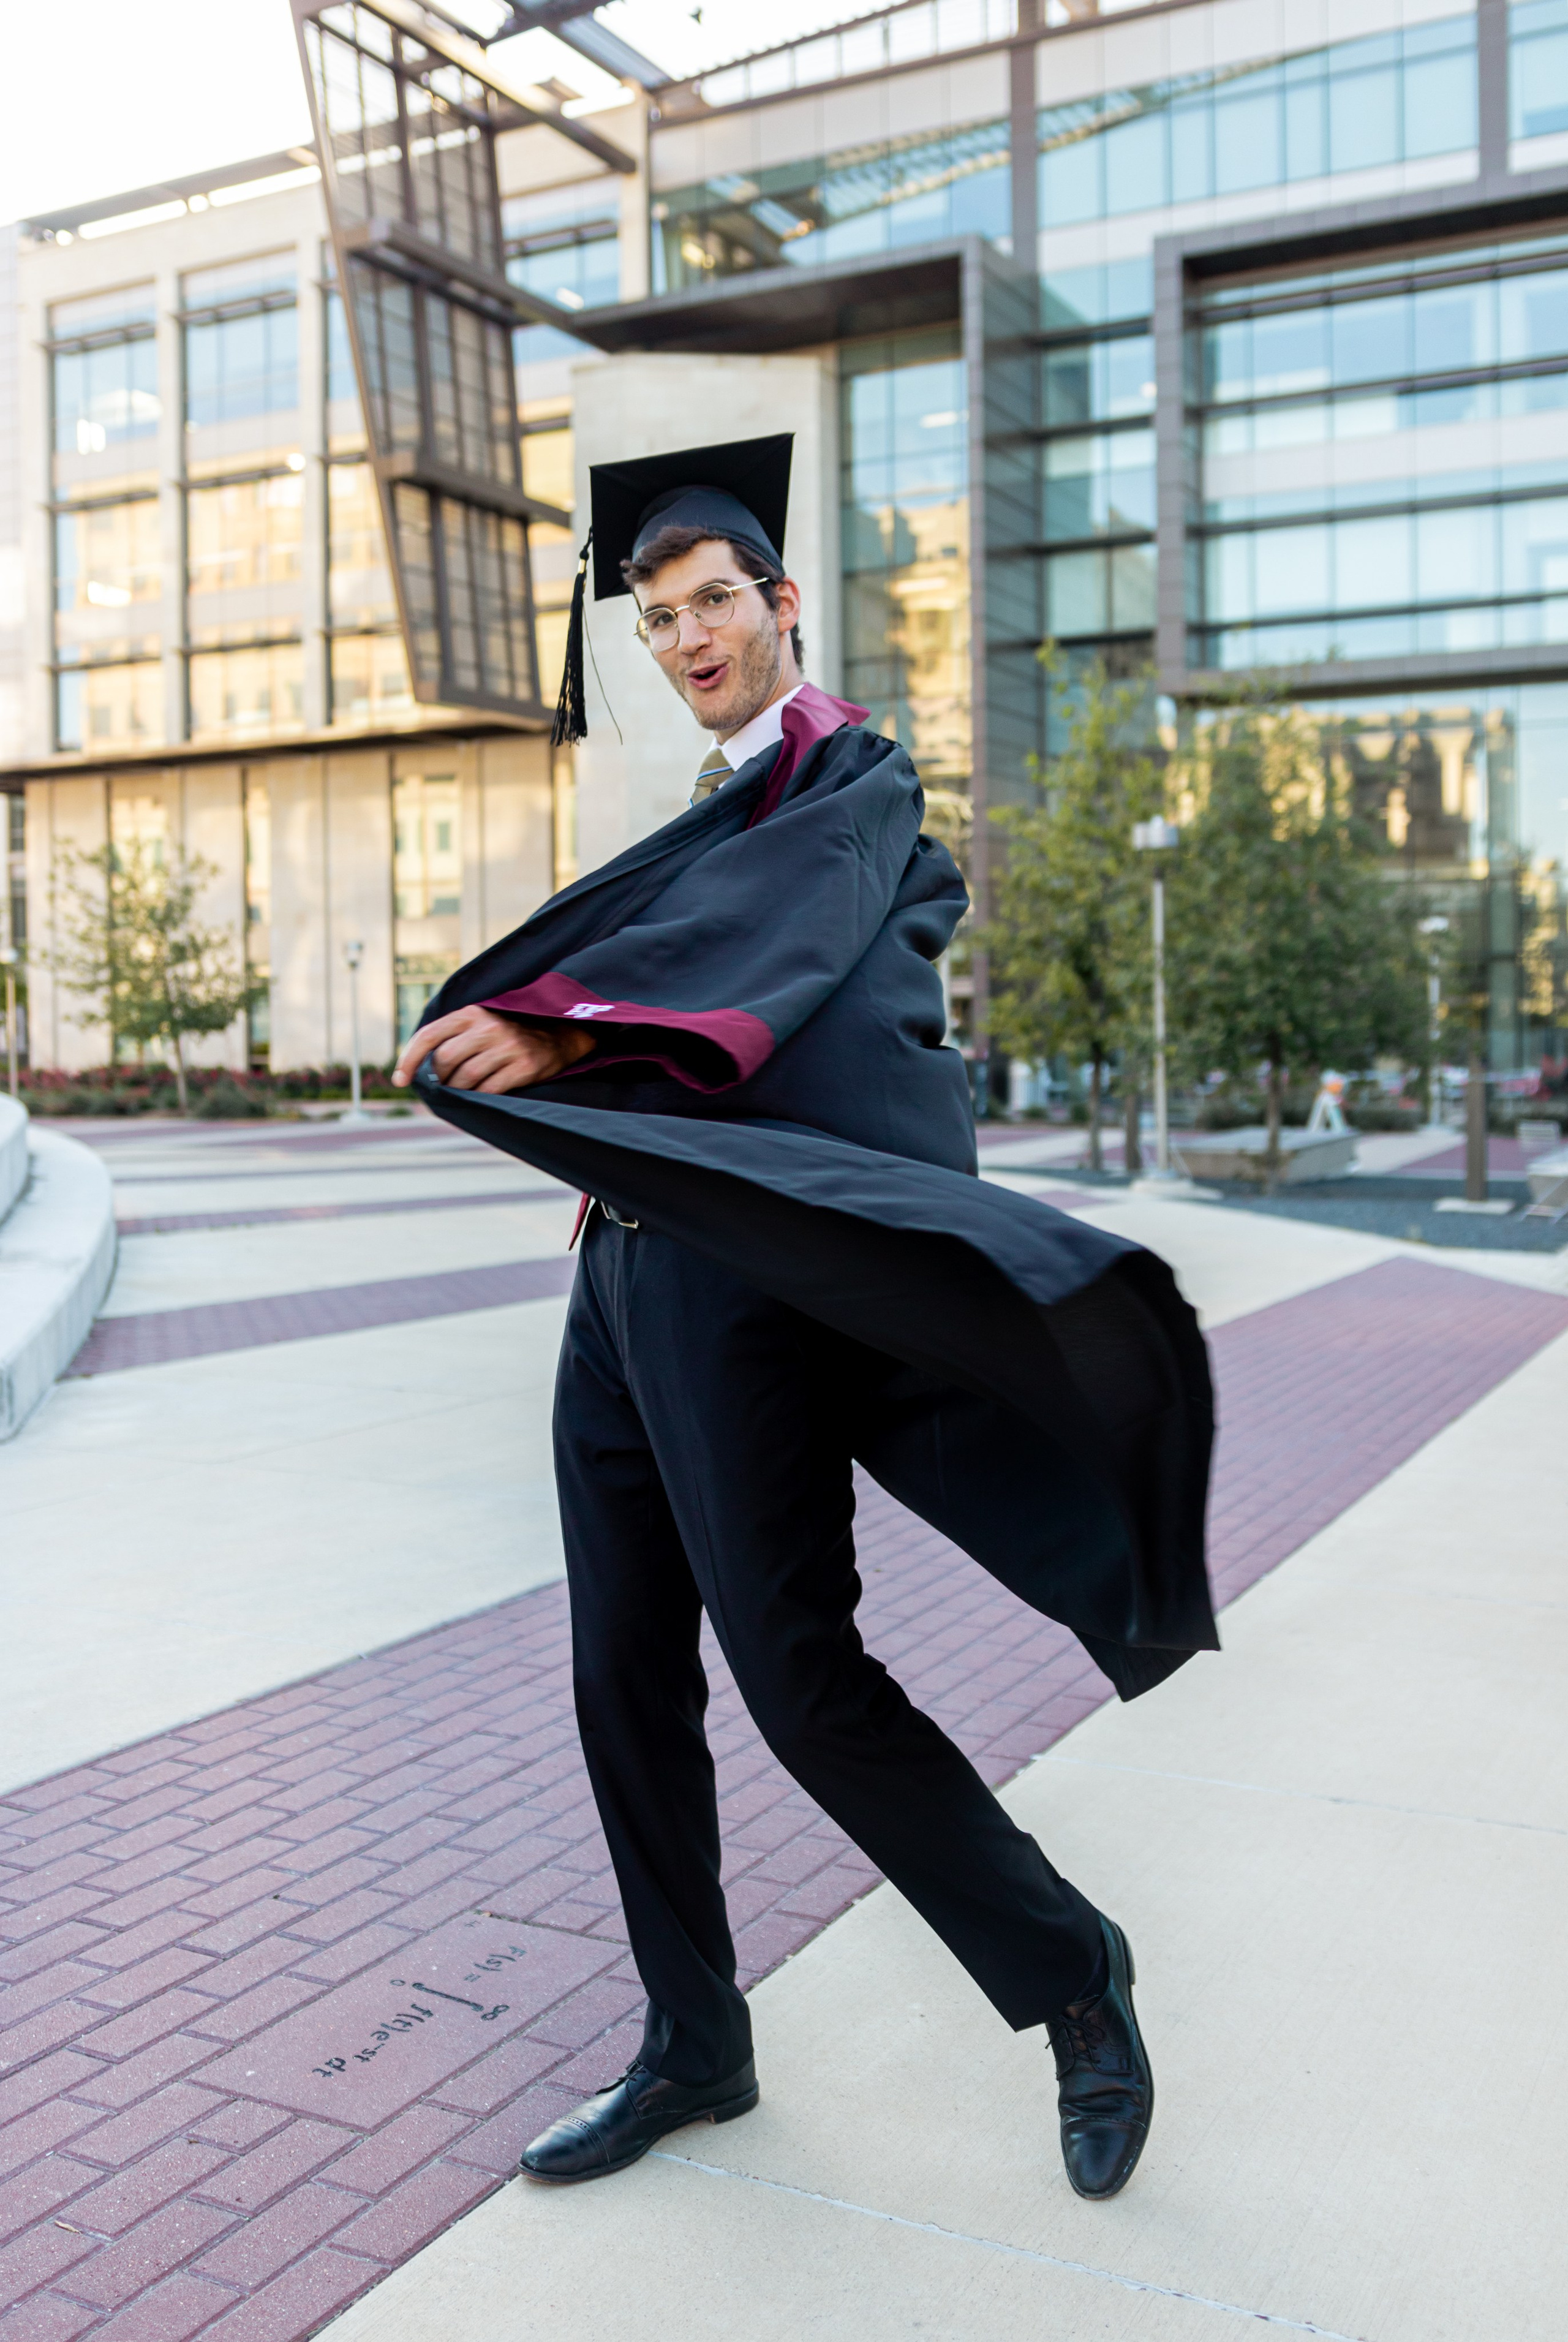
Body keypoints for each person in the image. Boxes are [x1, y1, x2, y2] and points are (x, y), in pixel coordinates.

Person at [393, 434, 1216, 2202]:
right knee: (621, 1673)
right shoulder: (719, 806)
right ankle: (697, 2044)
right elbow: (708, 962)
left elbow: (779, 975)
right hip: (624, 1276)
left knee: (801, 1685)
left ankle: (1072, 1972)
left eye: (715, 604)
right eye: (658, 616)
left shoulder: (849, 786)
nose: (689, 637)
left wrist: (560, 1033)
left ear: (778, 604)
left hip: (742, 1298)